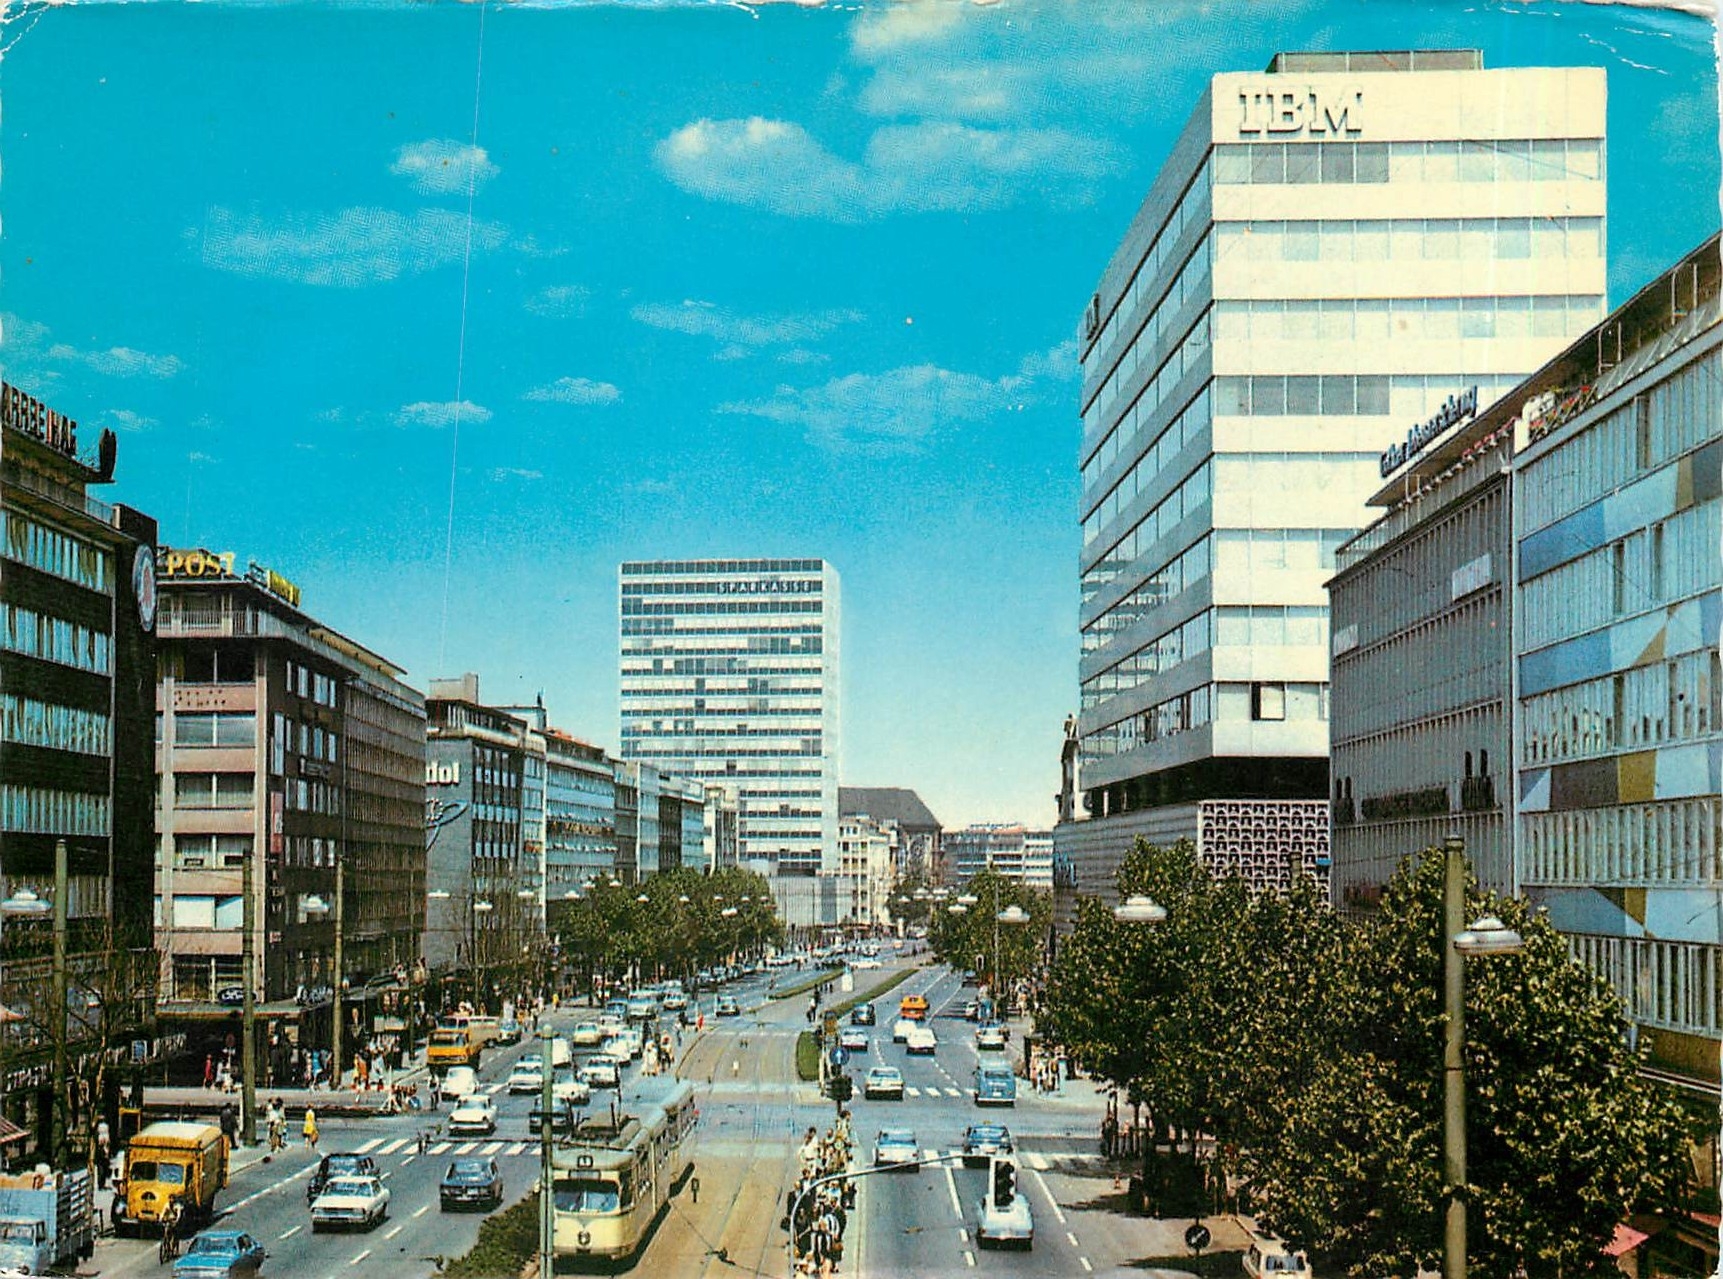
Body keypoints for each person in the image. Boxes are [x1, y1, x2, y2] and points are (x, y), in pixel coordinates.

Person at [94, 1119, 112, 1187]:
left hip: (103, 1157)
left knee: (103, 1171)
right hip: (101, 1157)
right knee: (101, 1171)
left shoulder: (105, 1137)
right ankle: (101, 1184)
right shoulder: (101, 1137)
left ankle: (101, 1184)